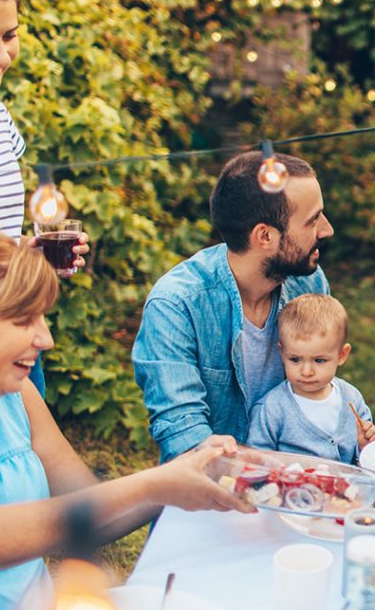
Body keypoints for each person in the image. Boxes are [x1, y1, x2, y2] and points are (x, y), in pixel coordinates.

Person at [0, 231, 253, 610]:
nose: (45, 339)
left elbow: (87, 506)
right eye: (23, 319)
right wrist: (154, 484)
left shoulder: (16, 394)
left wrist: (188, 471)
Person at [133, 150, 333, 462]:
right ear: (264, 235)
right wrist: (288, 467)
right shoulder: (175, 306)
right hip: (213, 491)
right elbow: (187, 441)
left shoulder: (309, 284)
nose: (326, 230)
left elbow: (321, 391)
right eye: (312, 220)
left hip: (299, 485)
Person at [0, 0, 89, 400]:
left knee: (28, 462)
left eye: (9, 35)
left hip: (18, 323)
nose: (0, 55)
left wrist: (28, 254)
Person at [247, 293, 375, 463]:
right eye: (295, 359)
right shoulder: (272, 408)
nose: (306, 371)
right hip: (293, 488)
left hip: (348, 487)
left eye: (319, 360)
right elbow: (257, 461)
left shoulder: (352, 399)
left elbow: (364, 462)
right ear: (282, 353)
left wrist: (366, 447)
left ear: (341, 355)